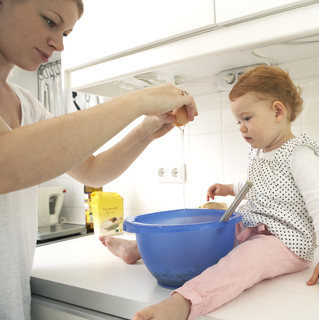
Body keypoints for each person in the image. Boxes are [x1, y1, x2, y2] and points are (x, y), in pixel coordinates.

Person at [101, 65, 319, 320]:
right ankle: (140, 249)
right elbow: (257, 185)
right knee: (210, 230)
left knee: (244, 261)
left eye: (247, 118)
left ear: (278, 111)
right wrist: (228, 189)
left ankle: (184, 303)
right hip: (252, 226)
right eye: (238, 121)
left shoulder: (301, 155)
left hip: (286, 242)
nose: (241, 127)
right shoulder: (261, 152)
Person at [0, 0, 198, 318]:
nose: (60, 44)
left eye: (66, 32)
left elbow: (92, 170)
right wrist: (137, 100)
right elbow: (6, 165)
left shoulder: (28, 104)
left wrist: (145, 132)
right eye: (50, 22)